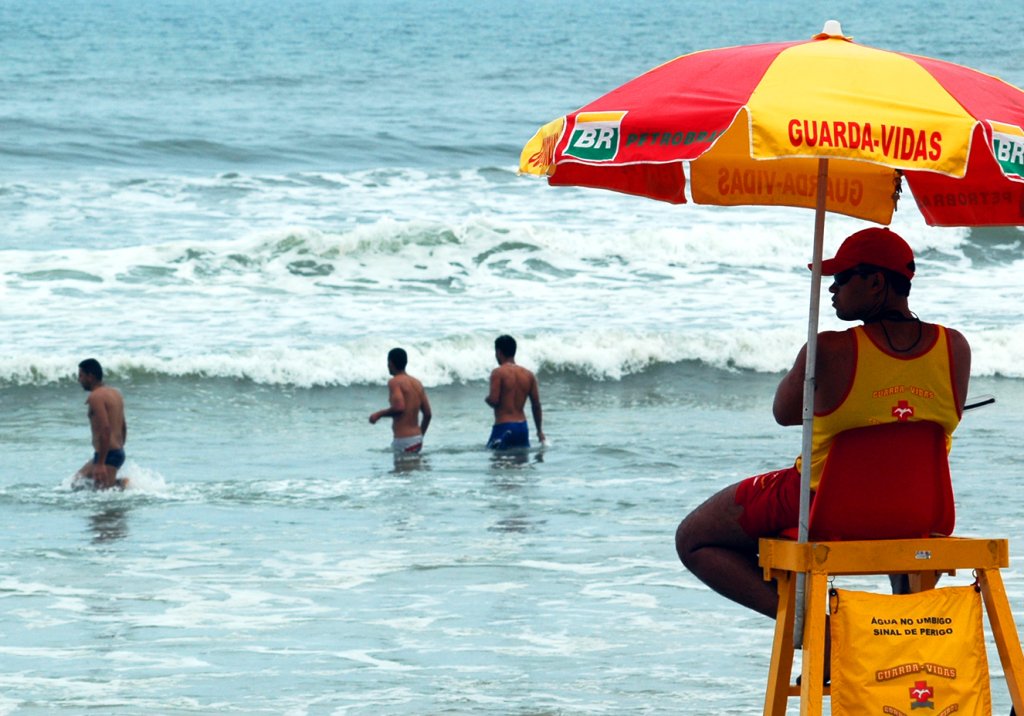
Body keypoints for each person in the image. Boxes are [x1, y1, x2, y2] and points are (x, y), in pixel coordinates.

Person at [675, 227, 971, 621]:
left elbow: (783, 412)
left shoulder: (831, 348)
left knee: (693, 538)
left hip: (823, 505)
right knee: (887, 489)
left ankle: (817, 628)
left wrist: (810, 357)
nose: (832, 289)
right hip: (916, 511)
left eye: (842, 277)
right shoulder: (954, 347)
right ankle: (902, 616)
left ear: (877, 282)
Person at [75, 358, 129, 490]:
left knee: (105, 500)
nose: (79, 380)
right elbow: (123, 425)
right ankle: (121, 484)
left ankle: (125, 484)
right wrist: (119, 448)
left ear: (90, 376)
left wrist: (100, 464)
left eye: (81, 376)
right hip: (113, 452)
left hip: (107, 455)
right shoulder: (115, 393)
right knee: (77, 482)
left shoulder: (96, 397)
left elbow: (105, 429)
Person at [485, 335, 545, 449]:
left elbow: (494, 400)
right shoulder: (528, 375)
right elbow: (536, 405)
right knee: (520, 464)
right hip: (522, 428)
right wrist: (539, 431)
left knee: (497, 463)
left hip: (504, 426)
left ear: (498, 352)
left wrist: (487, 399)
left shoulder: (498, 373)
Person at [369, 347, 432, 454]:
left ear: (391, 363)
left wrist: (379, 414)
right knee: (411, 469)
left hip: (404, 440)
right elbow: (428, 414)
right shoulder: (417, 383)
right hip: (416, 439)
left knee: (401, 470)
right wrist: (420, 436)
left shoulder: (395, 382)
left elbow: (399, 407)